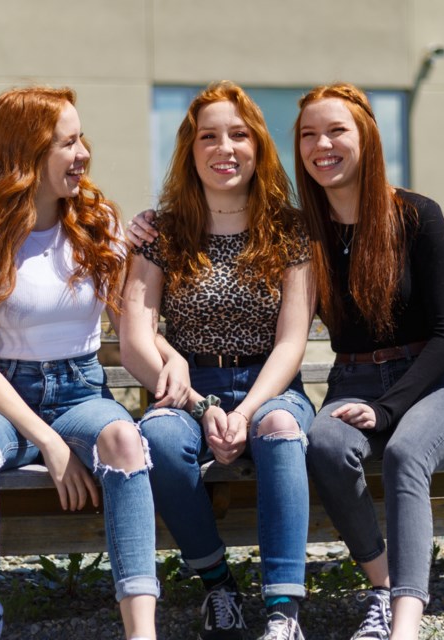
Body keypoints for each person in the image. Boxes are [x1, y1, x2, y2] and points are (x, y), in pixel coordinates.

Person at [0, 86, 166, 640]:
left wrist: (169, 358)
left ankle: (142, 629)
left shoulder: (97, 224)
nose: (83, 152)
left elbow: (129, 322)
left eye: (81, 137)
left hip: (82, 391)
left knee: (125, 441)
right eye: (67, 142)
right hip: (3, 396)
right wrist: (50, 443)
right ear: (25, 154)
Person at [120, 80, 317, 640]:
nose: (223, 148)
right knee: (155, 437)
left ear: (258, 147)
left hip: (270, 380)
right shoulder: (162, 231)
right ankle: (217, 584)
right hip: (186, 386)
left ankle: (284, 612)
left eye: (238, 135)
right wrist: (199, 401)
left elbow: (293, 339)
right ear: (190, 149)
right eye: (208, 136)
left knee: (280, 426)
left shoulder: (289, 229)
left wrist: (249, 409)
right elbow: (136, 335)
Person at [292, 83, 444, 640]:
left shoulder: (417, 215)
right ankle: (384, 580)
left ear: (366, 137)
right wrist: (150, 226)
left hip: (432, 386)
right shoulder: (303, 231)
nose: (322, 144)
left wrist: (389, 409)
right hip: (353, 379)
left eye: (336, 130)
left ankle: (405, 624)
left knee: (404, 452)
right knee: (324, 443)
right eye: (307, 134)